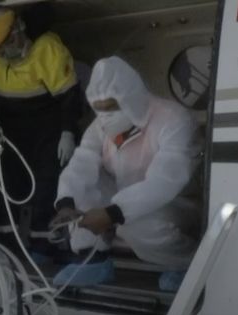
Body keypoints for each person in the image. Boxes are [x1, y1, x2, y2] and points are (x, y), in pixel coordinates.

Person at [51, 56, 202, 291]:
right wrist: (66, 203)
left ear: (130, 98)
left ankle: (186, 263)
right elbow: (82, 162)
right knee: (82, 193)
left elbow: (165, 180)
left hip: (178, 203)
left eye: (111, 107)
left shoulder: (173, 119)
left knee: (137, 224)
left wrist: (113, 213)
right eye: (98, 109)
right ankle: (94, 261)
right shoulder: (101, 126)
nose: (105, 116)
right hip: (126, 200)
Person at [0, 6, 84, 259]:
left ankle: (45, 245)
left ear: (18, 30)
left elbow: (69, 96)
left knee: (46, 182)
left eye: (5, 44)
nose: (1, 53)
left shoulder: (48, 48)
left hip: (48, 121)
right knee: (7, 182)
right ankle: (7, 246)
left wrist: (68, 132)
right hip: (10, 122)